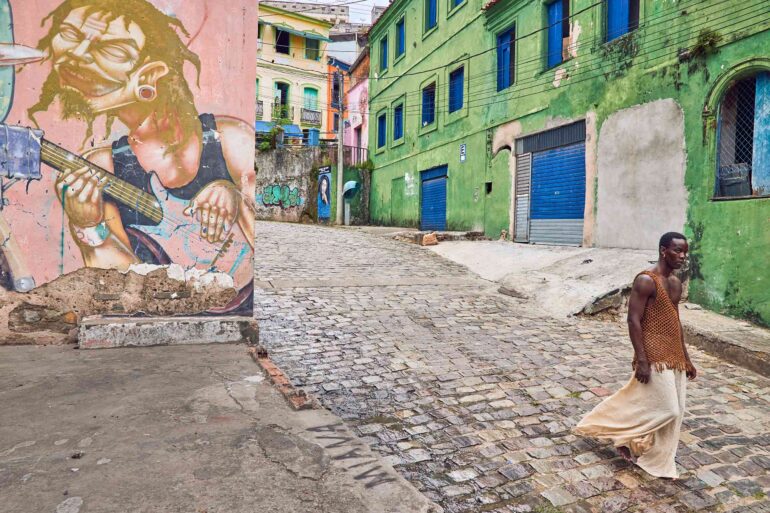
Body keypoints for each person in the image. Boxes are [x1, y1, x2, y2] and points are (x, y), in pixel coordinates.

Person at [27, 0, 255, 311]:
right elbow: (116, 293)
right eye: (68, 34)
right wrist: (90, 227)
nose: (75, 55)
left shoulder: (231, 140)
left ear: (151, 74)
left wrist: (234, 196)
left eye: (111, 51)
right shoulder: (102, 165)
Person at [573, 232, 697, 479]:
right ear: (663, 251)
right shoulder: (645, 280)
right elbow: (633, 320)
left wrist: (686, 356)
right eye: (677, 251)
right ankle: (618, 432)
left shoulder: (675, 283)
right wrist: (642, 359)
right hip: (652, 353)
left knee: (676, 412)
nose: (683, 256)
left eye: (685, 252)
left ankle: (657, 461)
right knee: (669, 409)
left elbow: (675, 321)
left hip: (673, 353)